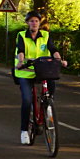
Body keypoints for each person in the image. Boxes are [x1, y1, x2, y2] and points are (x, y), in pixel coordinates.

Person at [14, 10, 66, 145]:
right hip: (25, 71)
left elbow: (53, 49)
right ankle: (24, 130)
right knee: (27, 100)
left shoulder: (46, 35)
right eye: (31, 21)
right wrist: (21, 62)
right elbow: (20, 50)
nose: (34, 23)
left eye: (36, 21)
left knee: (51, 82)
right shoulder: (21, 35)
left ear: (39, 23)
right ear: (27, 23)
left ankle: (48, 104)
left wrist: (59, 60)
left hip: (42, 70)